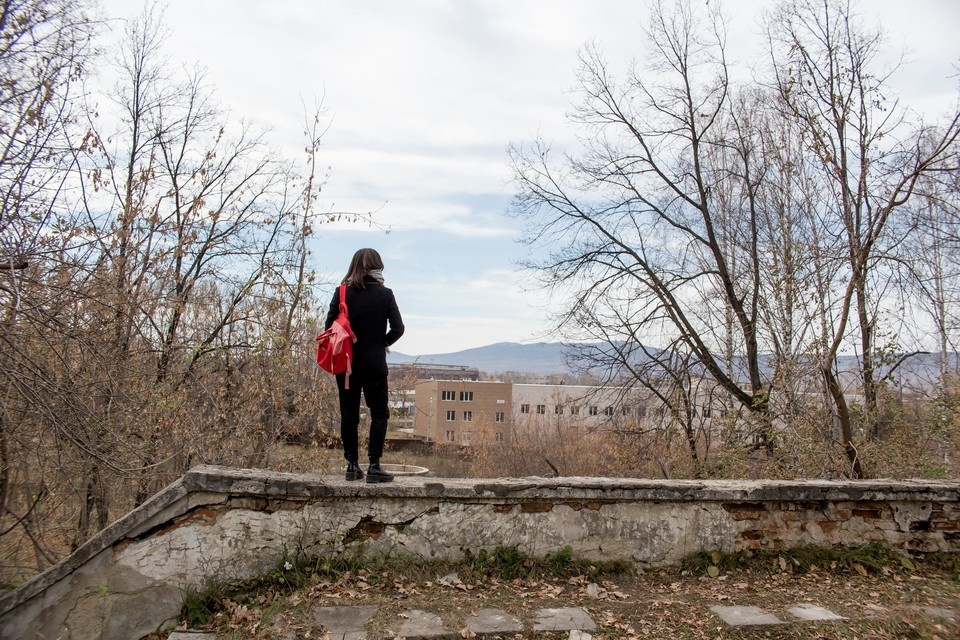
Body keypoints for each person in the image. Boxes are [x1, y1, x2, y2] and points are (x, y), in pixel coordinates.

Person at [325, 248, 404, 483]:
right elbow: (399, 328)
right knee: (379, 413)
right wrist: (381, 344)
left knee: (349, 414)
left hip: (346, 365)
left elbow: (329, 328)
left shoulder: (341, 293)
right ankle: (374, 467)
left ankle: (351, 465)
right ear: (377, 267)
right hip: (374, 364)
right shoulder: (385, 294)